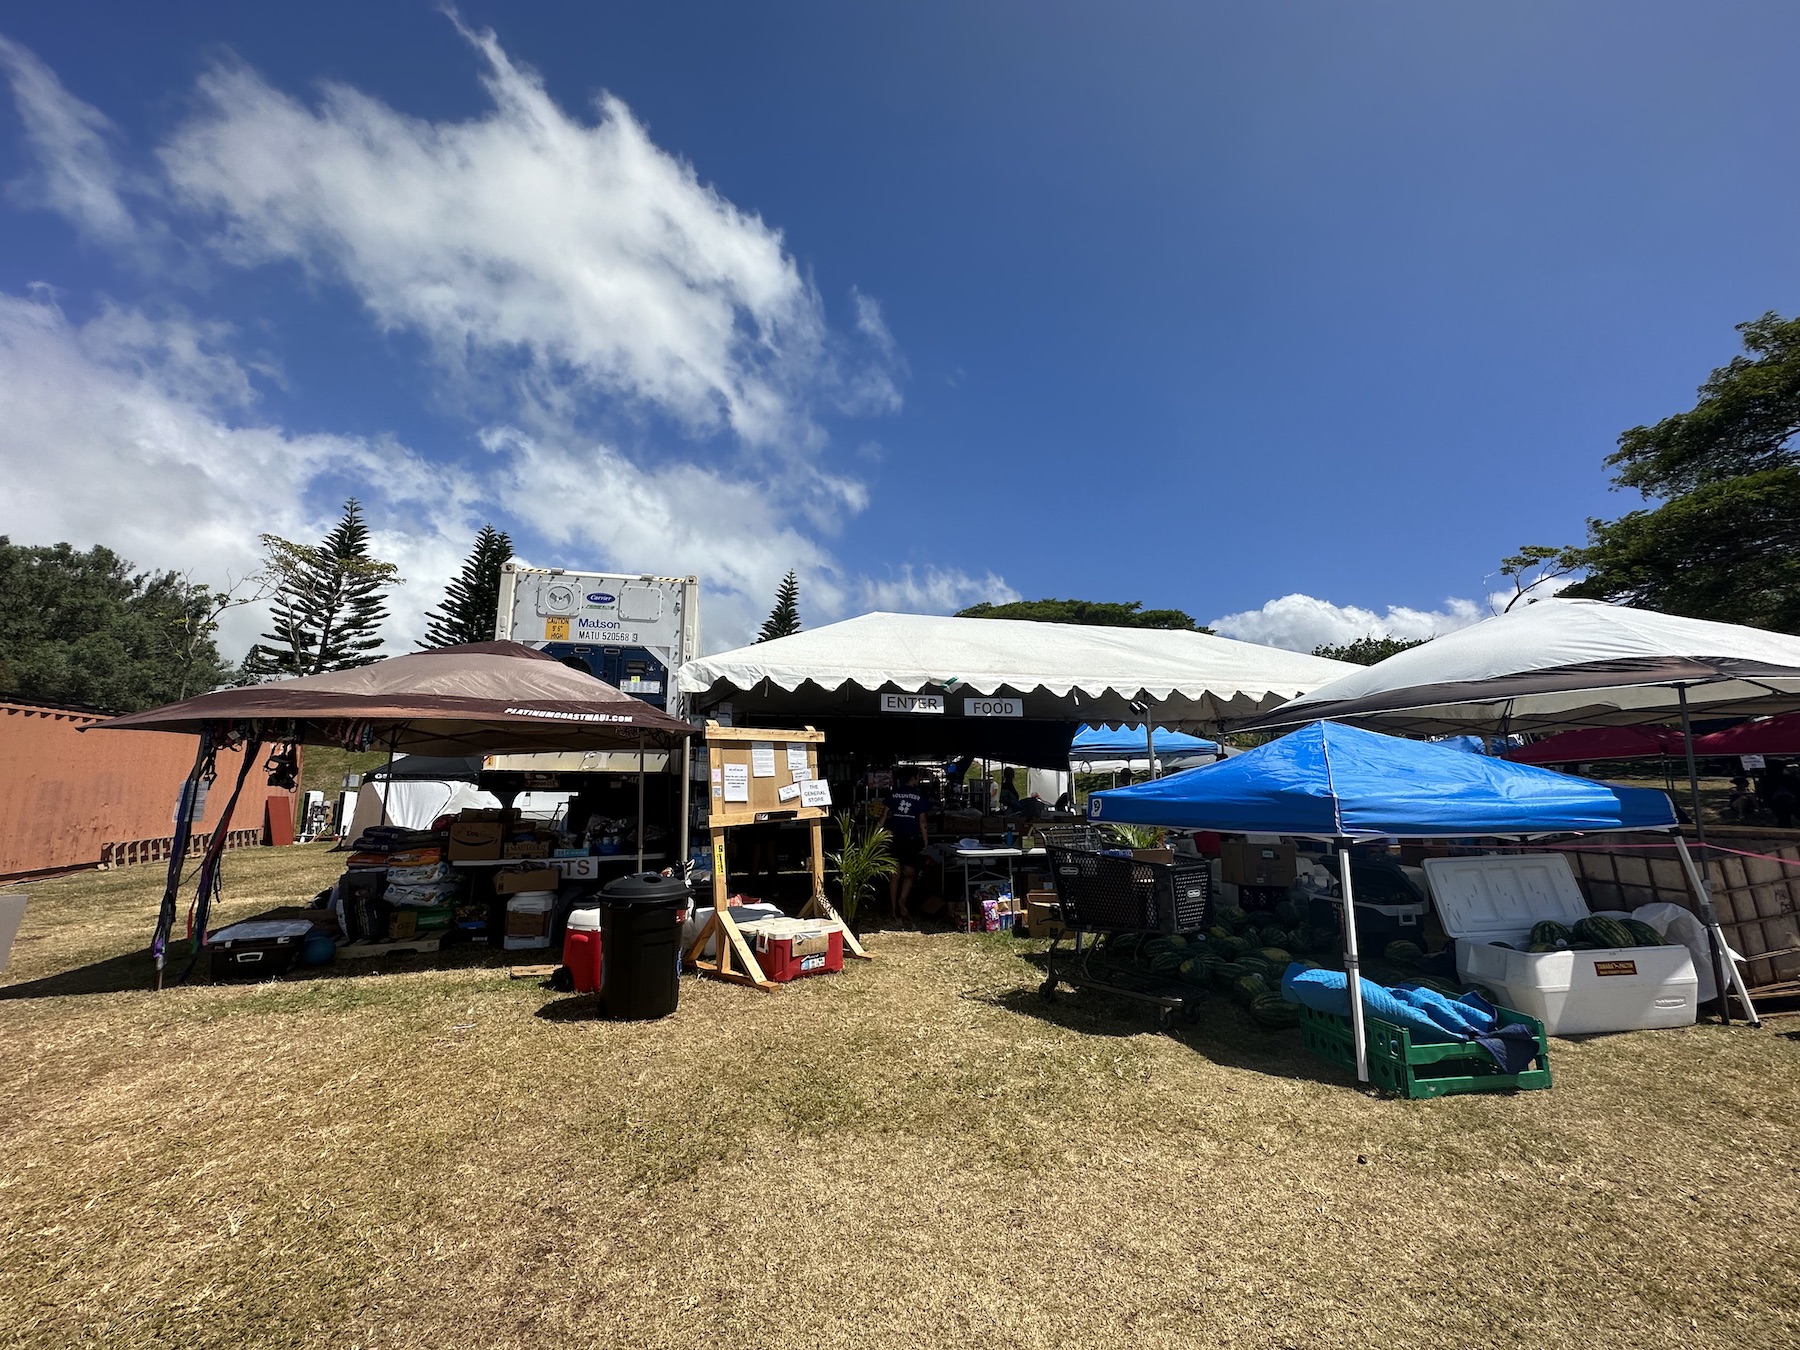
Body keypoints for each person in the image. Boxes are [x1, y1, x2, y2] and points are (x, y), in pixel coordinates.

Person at [879, 768, 929, 919]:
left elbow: (883, 816)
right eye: (918, 778)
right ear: (913, 778)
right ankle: (903, 901)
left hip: (894, 838)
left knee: (894, 875)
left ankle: (893, 909)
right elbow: (923, 822)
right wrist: (926, 842)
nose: (919, 780)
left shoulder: (893, 794)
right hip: (911, 839)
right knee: (909, 874)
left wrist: (876, 835)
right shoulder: (919, 796)